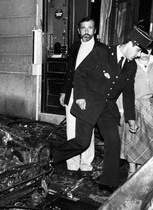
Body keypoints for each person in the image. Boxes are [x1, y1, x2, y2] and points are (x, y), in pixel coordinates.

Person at [51, 26, 153, 192]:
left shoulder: (130, 66)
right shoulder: (102, 52)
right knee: (82, 143)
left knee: (114, 141)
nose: (138, 56)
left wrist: (131, 118)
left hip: (107, 107)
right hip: (89, 103)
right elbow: (80, 73)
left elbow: (128, 92)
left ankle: (108, 183)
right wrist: (80, 97)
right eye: (138, 52)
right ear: (132, 45)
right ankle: (52, 156)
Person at [58, 17, 105, 177]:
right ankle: (72, 162)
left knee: (87, 130)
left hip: (90, 96)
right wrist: (64, 91)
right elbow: (69, 71)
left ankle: (86, 162)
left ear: (95, 30)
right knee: (71, 129)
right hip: (72, 93)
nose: (86, 31)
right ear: (78, 31)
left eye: (90, 28)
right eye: (83, 28)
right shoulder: (74, 47)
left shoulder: (101, 49)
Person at [120, 47, 153, 178]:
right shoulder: (131, 63)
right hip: (133, 104)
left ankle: (141, 170)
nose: (145, 54)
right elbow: (124, 87)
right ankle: (131, 170)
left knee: (148, 141)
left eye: (148, 50)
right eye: (142, 51)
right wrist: (121, 108)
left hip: (150, 105)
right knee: (133, 138)